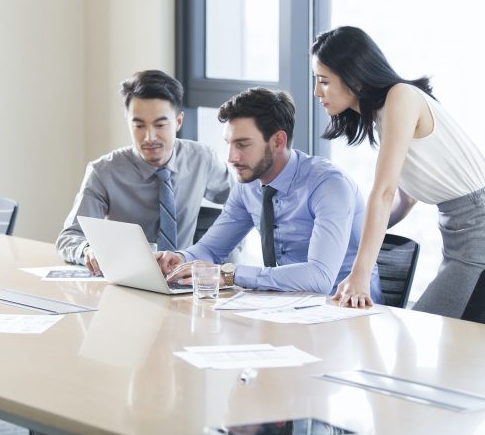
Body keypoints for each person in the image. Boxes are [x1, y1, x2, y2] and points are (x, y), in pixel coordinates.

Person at [310, 26, 485, 317]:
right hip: (462, 233)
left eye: (324, 81)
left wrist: (361, 273)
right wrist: (356, 234)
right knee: (447, 343)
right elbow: (405, 199)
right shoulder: (384, 115)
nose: (316, 92)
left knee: (428, 326)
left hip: (483, 233)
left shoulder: (401, 97)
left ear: (354, 78)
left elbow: (384, 193)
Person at [158, 87, 383, 301]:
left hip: (343, 310)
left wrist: (229, 275)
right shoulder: (248, 185)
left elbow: (320, 278)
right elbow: (210, 249)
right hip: (284, 307)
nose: (231, 157)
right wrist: (180, 259)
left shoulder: (329, 185)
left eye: (242, 145)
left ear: (278, 141)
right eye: (229, 144)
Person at [56, 69, 234, 273]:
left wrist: (227, 247)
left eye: (160, 125)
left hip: (186, 280)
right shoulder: (104, 172)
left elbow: (242, 200)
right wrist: (88, 249)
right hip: (129, 281)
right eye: (139, 125)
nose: (149, 137)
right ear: (127, 121)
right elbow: (69, 237)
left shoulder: (202, 160)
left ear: (178, 121)